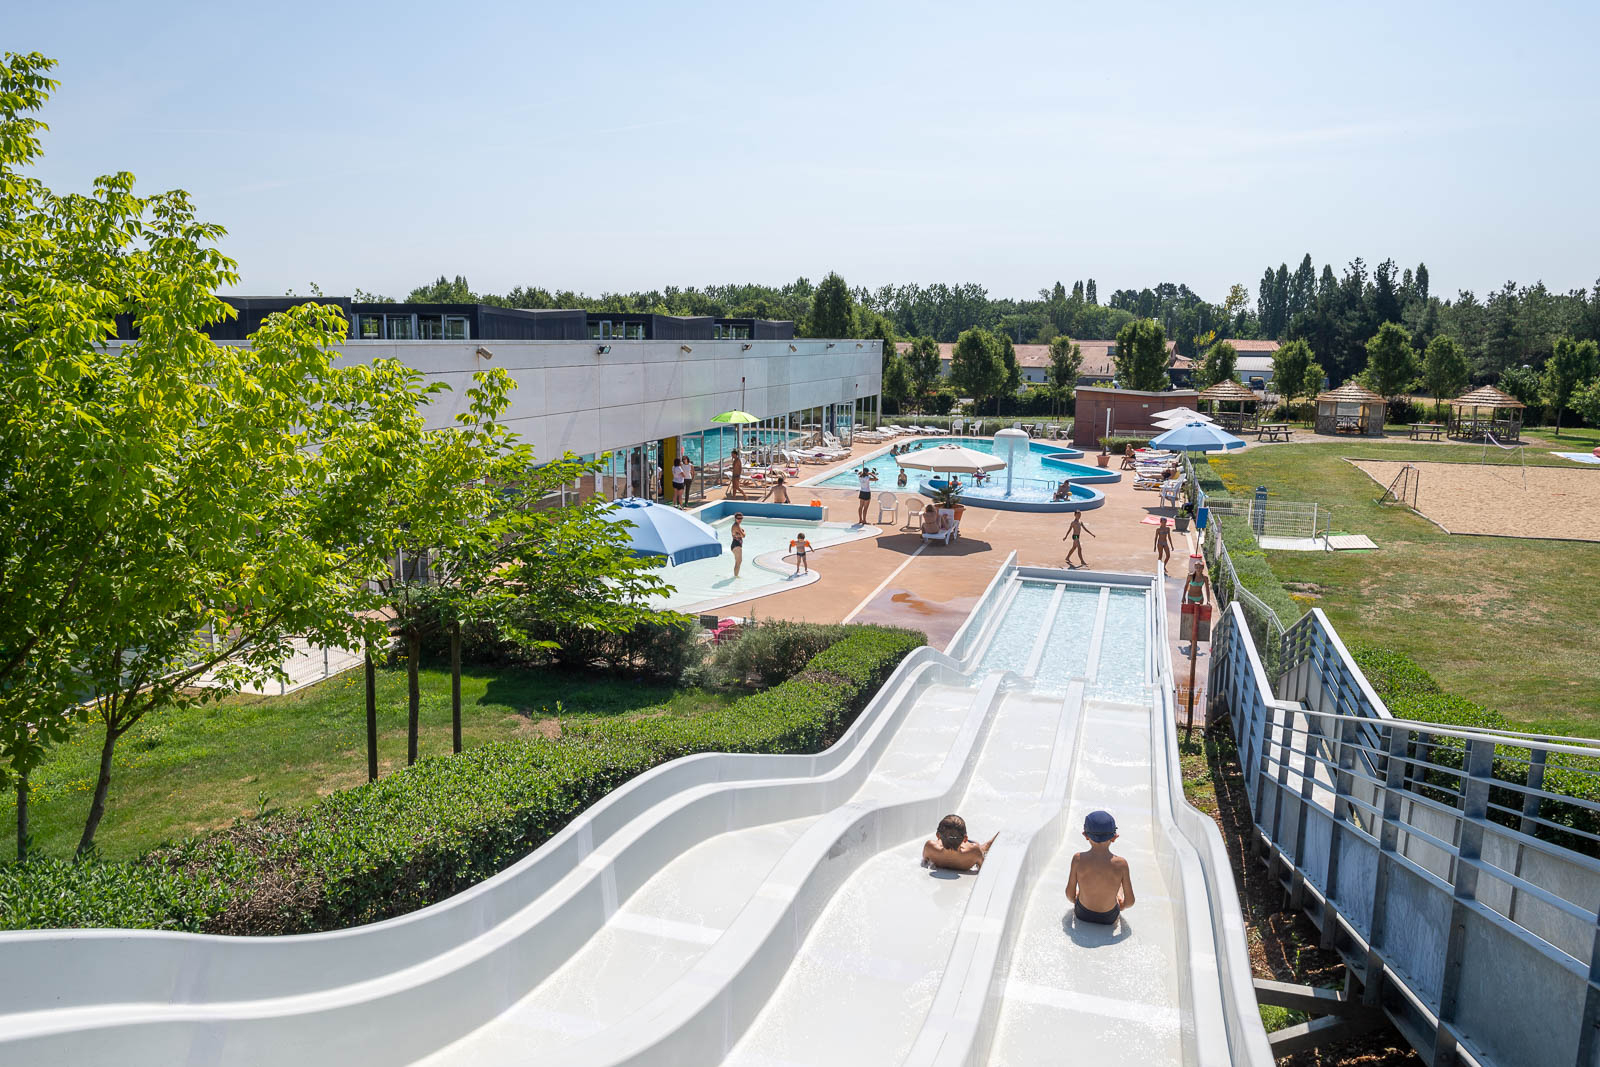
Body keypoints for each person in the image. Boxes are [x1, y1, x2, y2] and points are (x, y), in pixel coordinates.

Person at [1066, 810, 1135, 926]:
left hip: (1082, 914)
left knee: (1082, 890)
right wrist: (1120, 905)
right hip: (1108, 917)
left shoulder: (1077, 859)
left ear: (1085, 835)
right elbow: (1130, 902)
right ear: (1114, 837)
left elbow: (1069, 894)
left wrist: (1077, 899)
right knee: (1119, 887)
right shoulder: (1121, 864)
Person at [922, 814, 997, 872]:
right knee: (983, 846)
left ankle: (947, 837)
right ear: (965, 839)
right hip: (966, 850)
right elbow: (982, 869)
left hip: (944, 845)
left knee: (943, 840)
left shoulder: (930, 847)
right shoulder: (974, 851)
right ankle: (998, 835)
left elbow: (925, 861)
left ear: (937, 835)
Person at [730, 513, 745, 578]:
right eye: (738, 518)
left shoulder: (737, 525)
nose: (740, 520)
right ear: (735, 518)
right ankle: (736, 576)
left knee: (738, 562)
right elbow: (743, 535)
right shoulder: (736, 525)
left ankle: (735, 575)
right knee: (739, 561)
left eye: (741, 518)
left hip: (735, 544)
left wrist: (741, 532)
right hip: (736, 545)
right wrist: (743, 532)